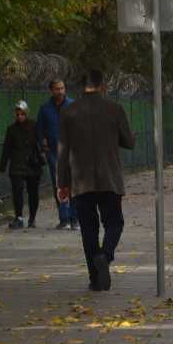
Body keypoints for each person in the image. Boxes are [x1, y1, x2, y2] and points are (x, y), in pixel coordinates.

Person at [57, 70, 135, 292]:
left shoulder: (68, 112)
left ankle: (95, 279)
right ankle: (105, 255)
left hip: (81, 182)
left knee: (88, 230)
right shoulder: (114, 109)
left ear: (81, 87)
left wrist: (62, 183)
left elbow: (62, 151)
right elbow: (129, 142)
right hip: (109, 179)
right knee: (114, 223)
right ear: (102, 85)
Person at [36, 79, 77, 230]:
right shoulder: (44, 108)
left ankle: (74, 219)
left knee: (72, 184)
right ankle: (64, 219)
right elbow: (40, 129)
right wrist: (43, 143)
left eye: (62, 88)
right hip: (53, 152)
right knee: (59, 185)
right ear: (51, 90)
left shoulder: (72, 105)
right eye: (57, 89)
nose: (60, 91)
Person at [0, 101, 43, 229]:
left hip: (32, 164)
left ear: (26, 113)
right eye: (17, 114)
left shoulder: (34, 126)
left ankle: (32, 218)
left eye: (22, 114)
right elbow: (6, 148)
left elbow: (40, 142)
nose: (19, 116)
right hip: (17, 164)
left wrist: (41, 155)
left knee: (33, 192)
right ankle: (18, 217)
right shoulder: (11, 129)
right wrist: (2, 166)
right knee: (17, 191)